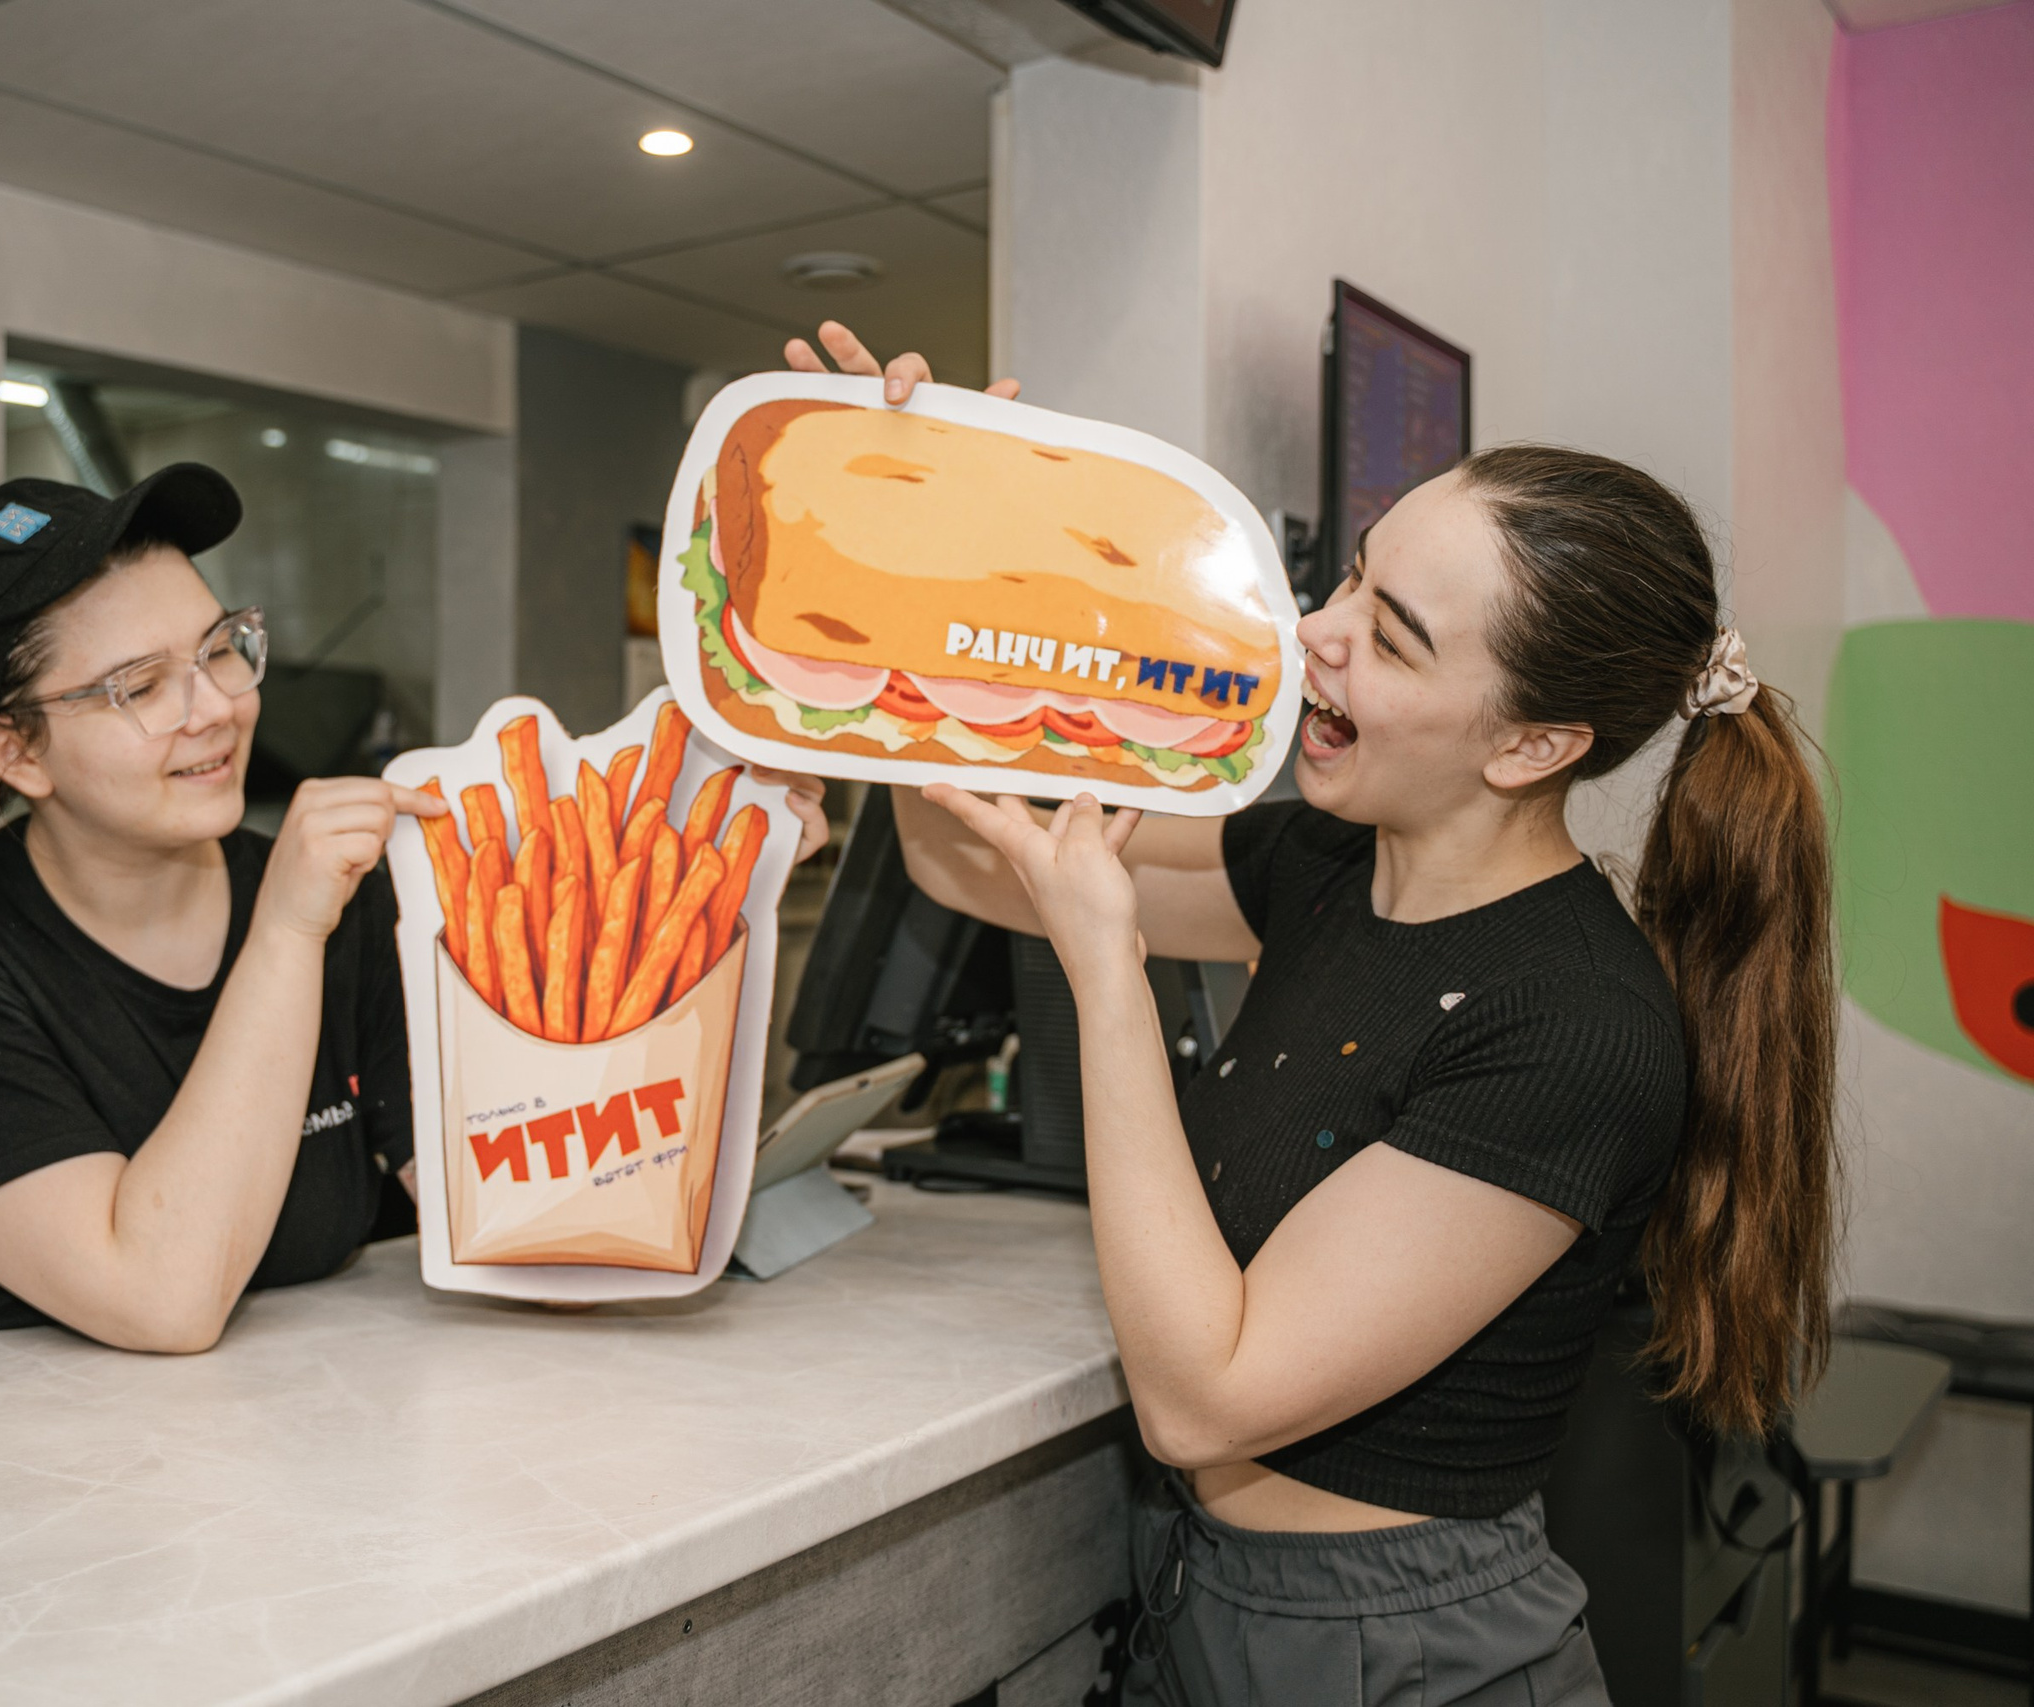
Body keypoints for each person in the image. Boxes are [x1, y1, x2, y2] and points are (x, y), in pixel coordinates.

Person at [788, 324, 1838, 1702]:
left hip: (1400, 1646)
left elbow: (1204, 1392)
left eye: (1388, 637)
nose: (1312, 633)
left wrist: (1109, 973)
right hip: (1202, 1589)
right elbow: (967, 860)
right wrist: (904, 569)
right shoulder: (1322, 866)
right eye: (1351, 574)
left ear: (1531, 745)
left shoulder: (1574, 1023)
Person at [0, 465, 449, 1353]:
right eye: (140, 687)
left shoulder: (353, 904)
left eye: (220, 647)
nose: (219, 707)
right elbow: (160, 1297)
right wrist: (288, 931)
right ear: (15, 752)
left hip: (265, 1444)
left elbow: (496, 1201)